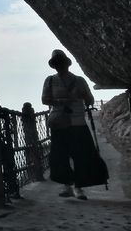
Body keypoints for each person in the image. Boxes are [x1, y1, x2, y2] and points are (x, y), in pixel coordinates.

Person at [42, 49, 99, 200]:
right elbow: (44, 99)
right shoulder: (51, 80)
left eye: (60, 63)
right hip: (64, 123)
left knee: (75, 156)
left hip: (73, 122)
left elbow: (90, 99)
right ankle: (71, 187)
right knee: (65, 156)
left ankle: (74, 187)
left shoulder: (78, 81)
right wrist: (65, 101)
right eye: (57, 63)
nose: (59, 66)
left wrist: (83, 96)